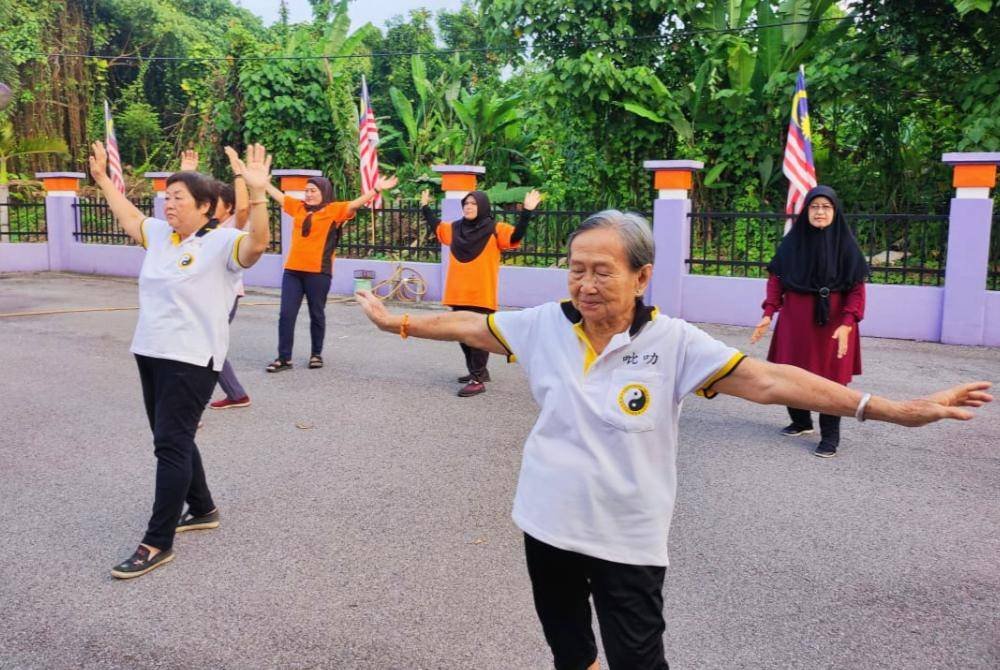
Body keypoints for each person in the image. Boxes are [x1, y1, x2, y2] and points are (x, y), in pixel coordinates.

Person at [355, 209, 991, 670]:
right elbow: (469, 323)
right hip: (545, 523)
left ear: (642, 276)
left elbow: (771, 380)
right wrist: (399, 323)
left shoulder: (676, 343)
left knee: (638, 661)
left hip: (627, 537)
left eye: (602, 271)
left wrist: (893, 409)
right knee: (570, 650)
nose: (585, 284)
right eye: (576, 270)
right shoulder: (543, 326)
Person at [89, 141, 273, 579]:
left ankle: (157, 541)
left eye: (179, 198)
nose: (168, 204)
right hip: (150, 351)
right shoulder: (160, 236)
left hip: (191, 358)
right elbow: (131, 218)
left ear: (206, 206)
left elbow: (259, 245)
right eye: (166, 197)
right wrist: (103, 181)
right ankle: (204, 508)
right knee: (172, 436)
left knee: (169, 445)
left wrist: (260, 193)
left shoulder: (223, 241)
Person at [750, 185, 869, 457]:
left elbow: (856, 290)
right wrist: (768, 313)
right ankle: (801, 421)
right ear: (806, 211)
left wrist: (848, 322)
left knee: (831, 381)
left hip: (834, 324)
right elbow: (776, 280)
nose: (820, 212)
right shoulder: (793, 243)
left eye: (826, 207)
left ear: (835, 211)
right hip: (795, 322)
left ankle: (830, 437)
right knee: (791, 373)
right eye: (814, 207)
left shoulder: (847, 246)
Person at [264, 173, 398, 372]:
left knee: (316, 313)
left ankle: (316, 354)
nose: (308, 195)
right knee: (286, 314)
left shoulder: (333, 210)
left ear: (324, 192)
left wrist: (376, 190)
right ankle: (284, 358)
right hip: (293, 270)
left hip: (318, 272)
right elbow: (280, 197)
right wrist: (263, 184)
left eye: (313, 191)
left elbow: (354, 205)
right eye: (306, 191)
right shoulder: (299, 207)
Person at [420, 188, 541, 396]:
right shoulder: (455, 228)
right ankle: (479, 372)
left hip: (481, 294)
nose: (468, 206)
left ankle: (477, 380)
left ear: (483, 206)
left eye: (473, 204)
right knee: (462, 335)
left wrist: (527, 212)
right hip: (458, 292)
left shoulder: (496, 229)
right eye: (466, 203)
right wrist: (424, 207)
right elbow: (437, 227)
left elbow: (515, 237)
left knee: (477, 337)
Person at [181, 148, 254, 410]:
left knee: (203, 346)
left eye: (216, 202)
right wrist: (187, 172)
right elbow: (182, 203)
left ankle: (193, 404)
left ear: (229, 208)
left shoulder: (232, 227)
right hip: (199, 296)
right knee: (207, 346)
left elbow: (245, 206)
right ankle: (235, 394)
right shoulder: (199, 227)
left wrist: (238, 172)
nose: (210, 205)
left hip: (225, 296)